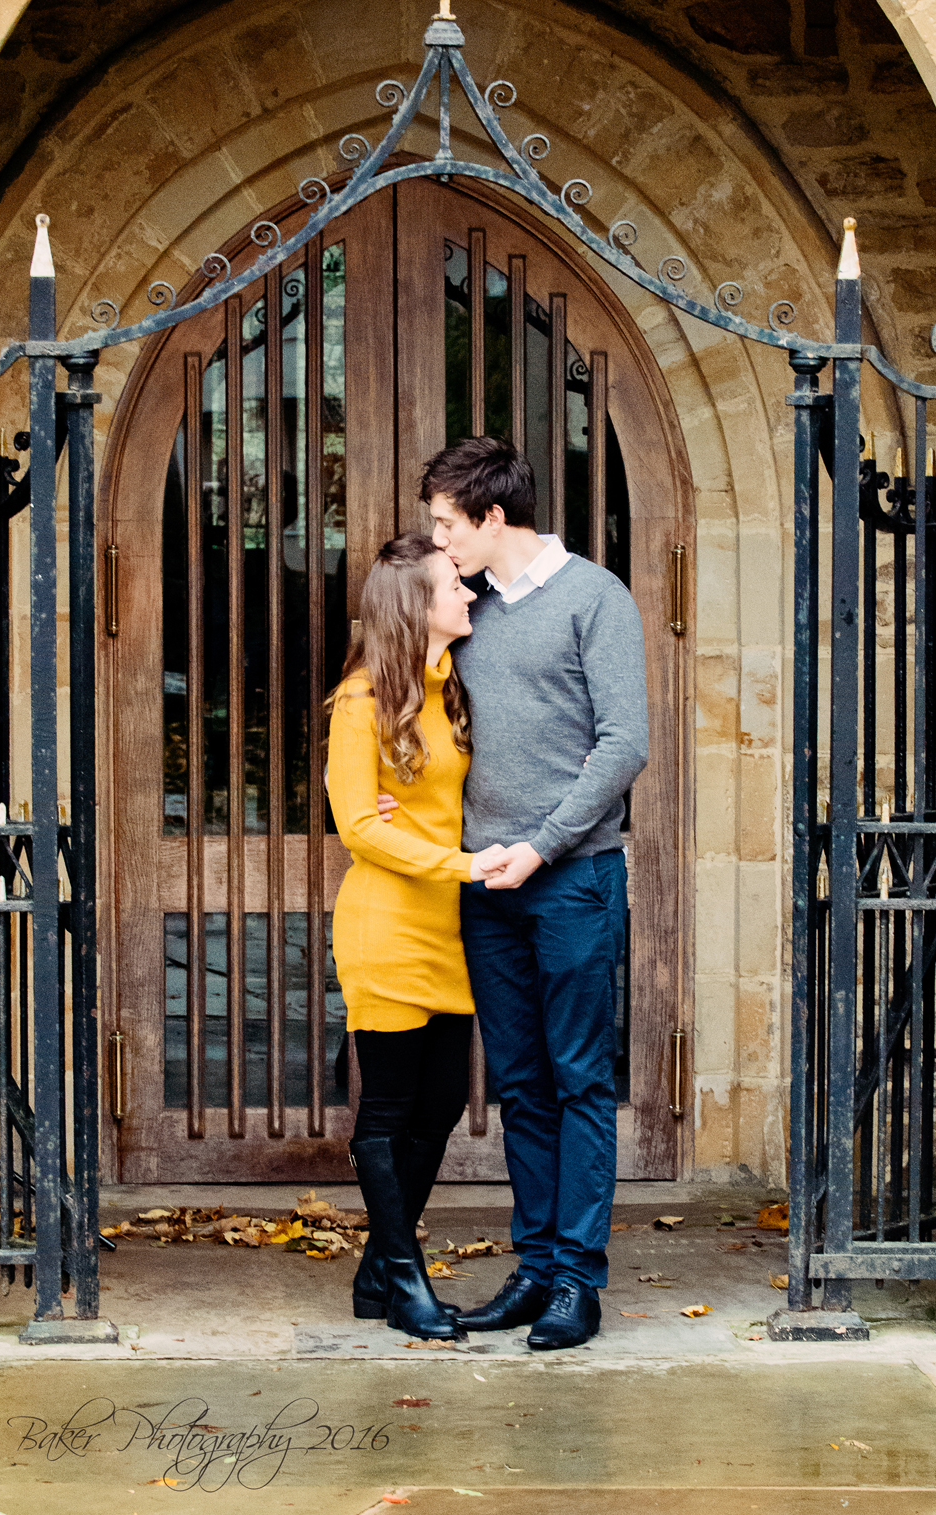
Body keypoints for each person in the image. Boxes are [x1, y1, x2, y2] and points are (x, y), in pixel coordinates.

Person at [414, 435, 648, 1350]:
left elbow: (623, 744)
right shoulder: (469, 612)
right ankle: (538, 1265)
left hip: (574, 878)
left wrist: (542, 848)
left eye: (446, 523)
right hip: (487, 883)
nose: (439, 542)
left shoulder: (597, 598)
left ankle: (578, 1283)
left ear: (492, 516)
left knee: (580, 1077)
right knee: (518, 1083)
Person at [326, 532, 510, 1341]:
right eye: (453, 587)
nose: (469, 593)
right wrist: (462, 863)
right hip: (389, 926)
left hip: (449, 928)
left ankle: (376, 1272)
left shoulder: (449, 691)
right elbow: (361, 828)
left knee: (439, 1104)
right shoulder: (360, 702)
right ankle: (405, 1277)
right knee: (391, 1109)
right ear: (415, 607)